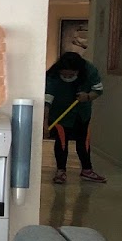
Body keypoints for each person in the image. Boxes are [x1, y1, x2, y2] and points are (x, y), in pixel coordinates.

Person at [44, 51, 105, 185]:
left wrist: (87, 96)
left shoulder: (89, 70)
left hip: (82, 112)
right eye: (64, 75)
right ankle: (61, 171)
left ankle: (87, 170)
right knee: (62, 141)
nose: (67, 77)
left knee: (83, 141)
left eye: (71, 75)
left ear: (78, 71)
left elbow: (98, 90)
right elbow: (47, 101)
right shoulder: (53, 76)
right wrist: (45, 123)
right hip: (59, 114)